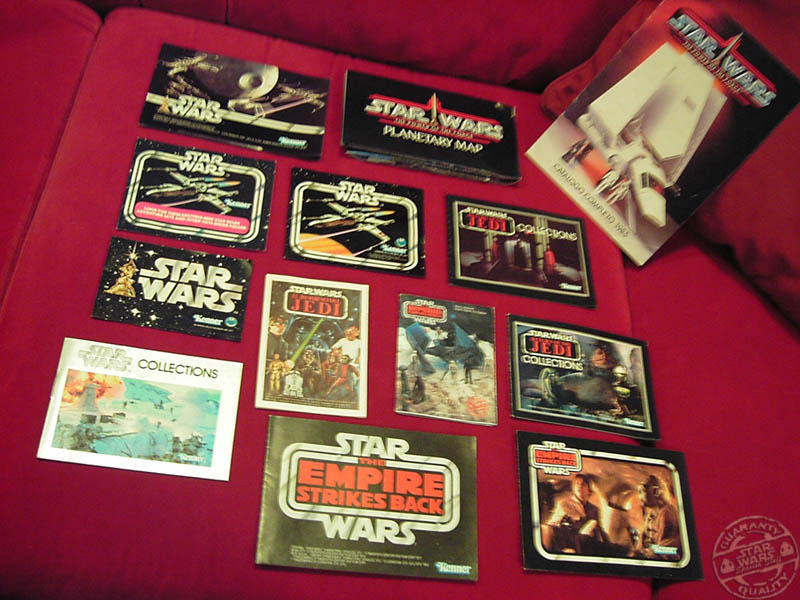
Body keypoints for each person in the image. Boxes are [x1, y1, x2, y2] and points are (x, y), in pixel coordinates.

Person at [542, 474, 610, 554]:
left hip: (586, 545)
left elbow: (600, 530)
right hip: (570, 542)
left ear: (588, 490)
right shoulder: (564, 504)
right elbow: (552, 525)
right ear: (574, 488)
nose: (579, 486)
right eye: (577, 484)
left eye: (583, 484)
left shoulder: (594, 509)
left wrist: (607, 544)